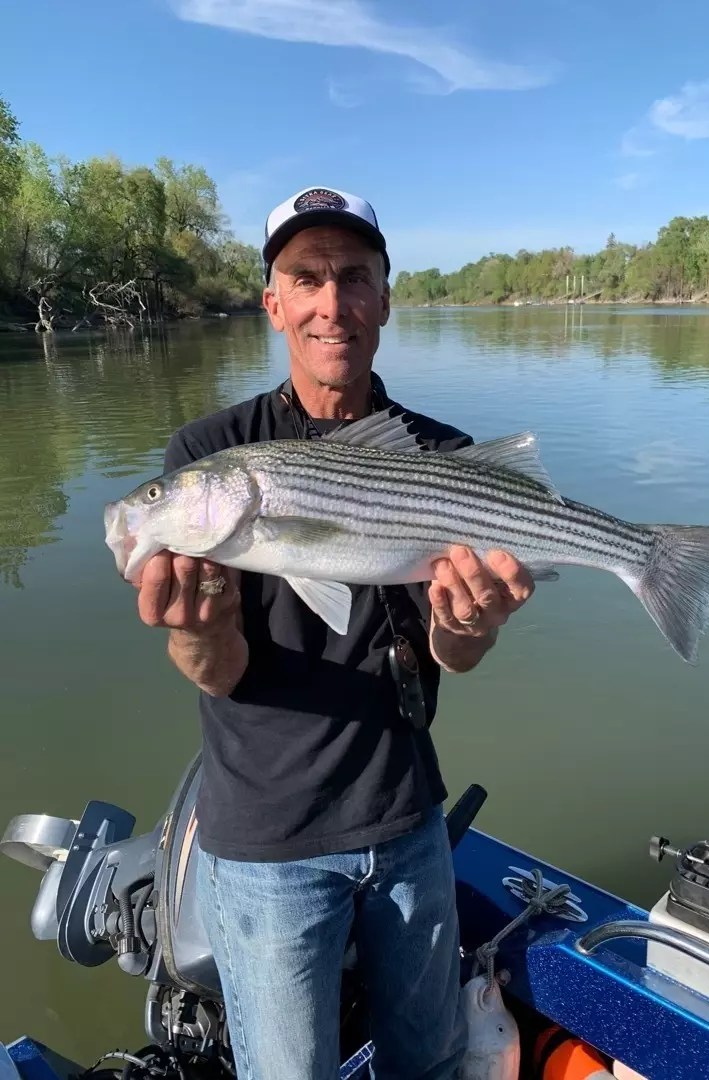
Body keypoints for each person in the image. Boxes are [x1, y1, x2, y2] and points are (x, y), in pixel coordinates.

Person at [134, 186, 535, 1080]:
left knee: (429, 1065)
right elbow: (218, 669)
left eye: (355, 277)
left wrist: (473, 625)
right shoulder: (211, 451)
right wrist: (196, 634)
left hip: (409, 820)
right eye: (305, 277)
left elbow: (454, 655)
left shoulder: (444, 460)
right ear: (272, 301)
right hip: (267, 841)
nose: (331, 302)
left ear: (386, 298)